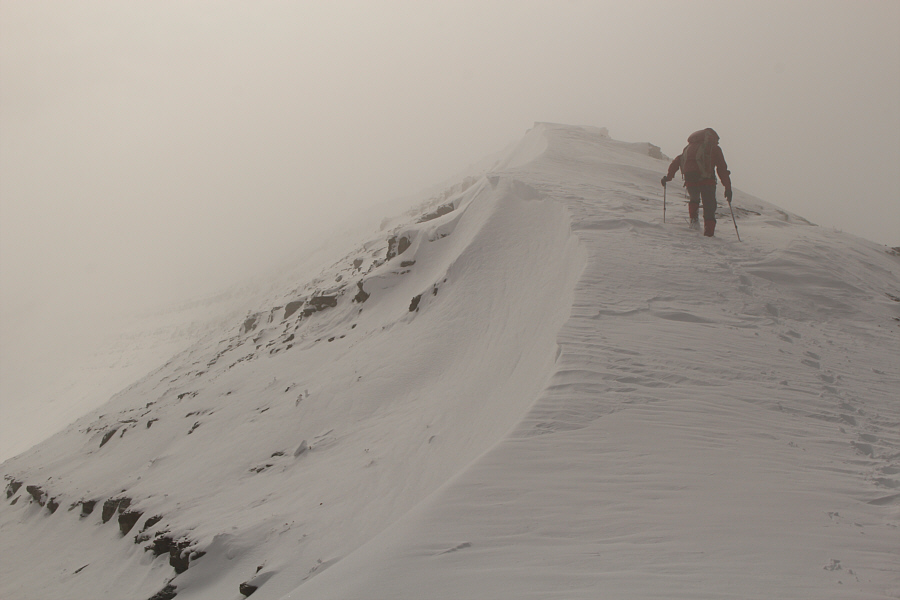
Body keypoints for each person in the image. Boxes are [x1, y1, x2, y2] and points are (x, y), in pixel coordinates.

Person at [661, 128, 732, 237]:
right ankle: (708, 234)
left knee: (694, 200)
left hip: (690, 182)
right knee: (709, 206)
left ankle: (694, 223)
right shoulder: (714, 148)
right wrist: (728, 188)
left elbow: (676, 162)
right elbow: (722, 169)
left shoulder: (688, 148)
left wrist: (668, 177)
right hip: (707, 181)